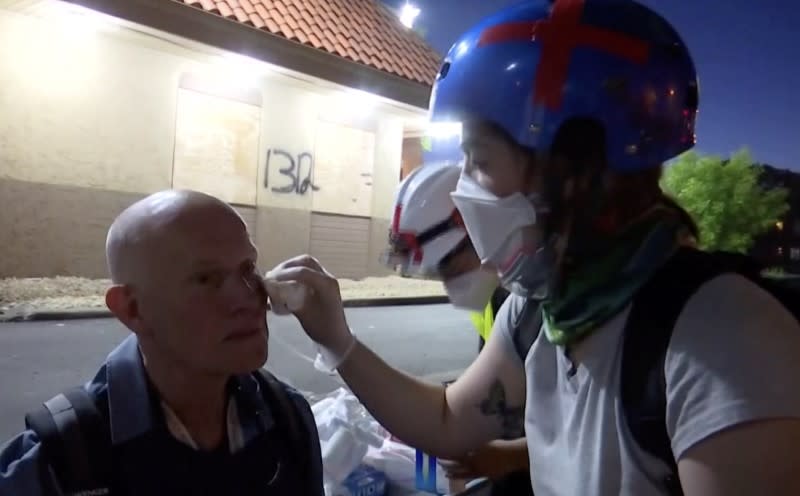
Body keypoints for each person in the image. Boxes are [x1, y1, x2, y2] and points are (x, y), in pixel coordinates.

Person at [266, 1, 800, 495]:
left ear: (570, 174)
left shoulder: (724, 335)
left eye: (480, 160)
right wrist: (337, 340)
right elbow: (450, 421)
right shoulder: (541, 305)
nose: (463, 185)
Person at [0, 190, 324, 496]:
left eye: (248, 268)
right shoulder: (60, 461)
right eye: (206, 279)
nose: (249, 298)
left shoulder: (286, 417)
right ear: (132, 309)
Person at [385, 161, 530, 495]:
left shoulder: (536, 304)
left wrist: (508, 456)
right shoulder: (496, 300)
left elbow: (586, 433)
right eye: (438, 271)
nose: (448, 282)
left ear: (482, 229)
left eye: (449, 263)